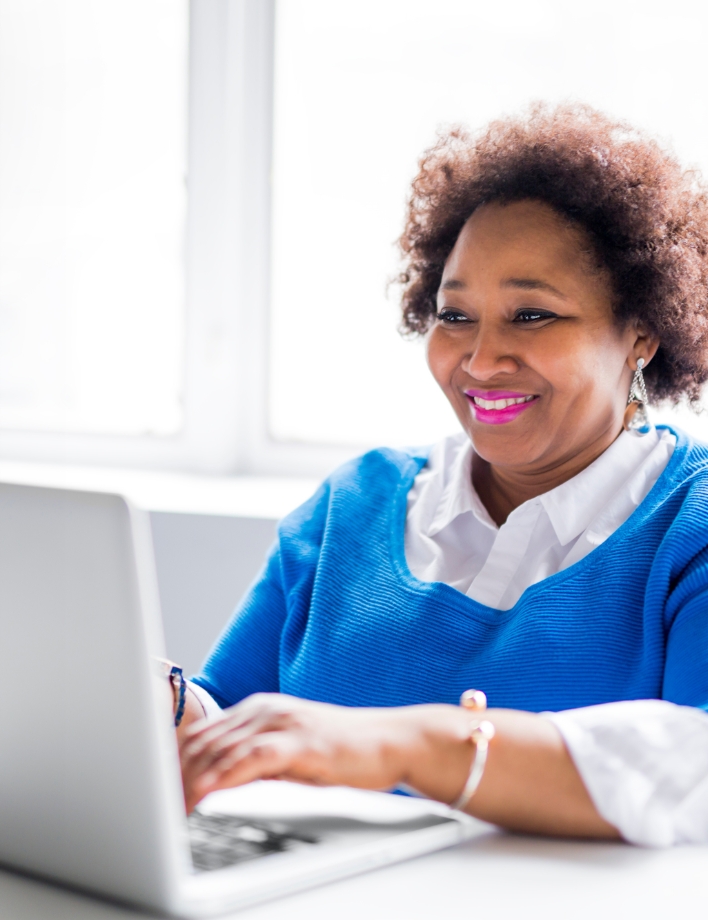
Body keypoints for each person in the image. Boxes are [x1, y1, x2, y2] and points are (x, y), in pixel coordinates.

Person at [172, 103, 708, 847]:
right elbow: (231, 722)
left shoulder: (692, 526)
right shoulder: (352, 506)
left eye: (532, 317)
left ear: (641, 333)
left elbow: (695, 768)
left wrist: (406, 744)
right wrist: (166, 704)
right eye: (455, 316)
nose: (481, 361)